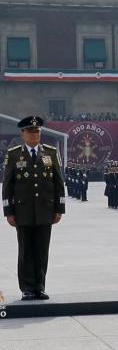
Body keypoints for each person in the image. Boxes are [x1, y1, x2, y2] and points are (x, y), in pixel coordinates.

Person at [2, 116, 65, 300]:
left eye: (37, 131)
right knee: (26, 251)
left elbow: (58, 183)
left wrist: (59, 208)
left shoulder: (50, 153)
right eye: (31, 131)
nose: (35, 135)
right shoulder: (14, 155)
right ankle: (27, 288)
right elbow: (7, 187)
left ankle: (40, 286)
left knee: (42, 250)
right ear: (23, 134)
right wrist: (9, 211)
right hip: (23, 211)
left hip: (45, 211)